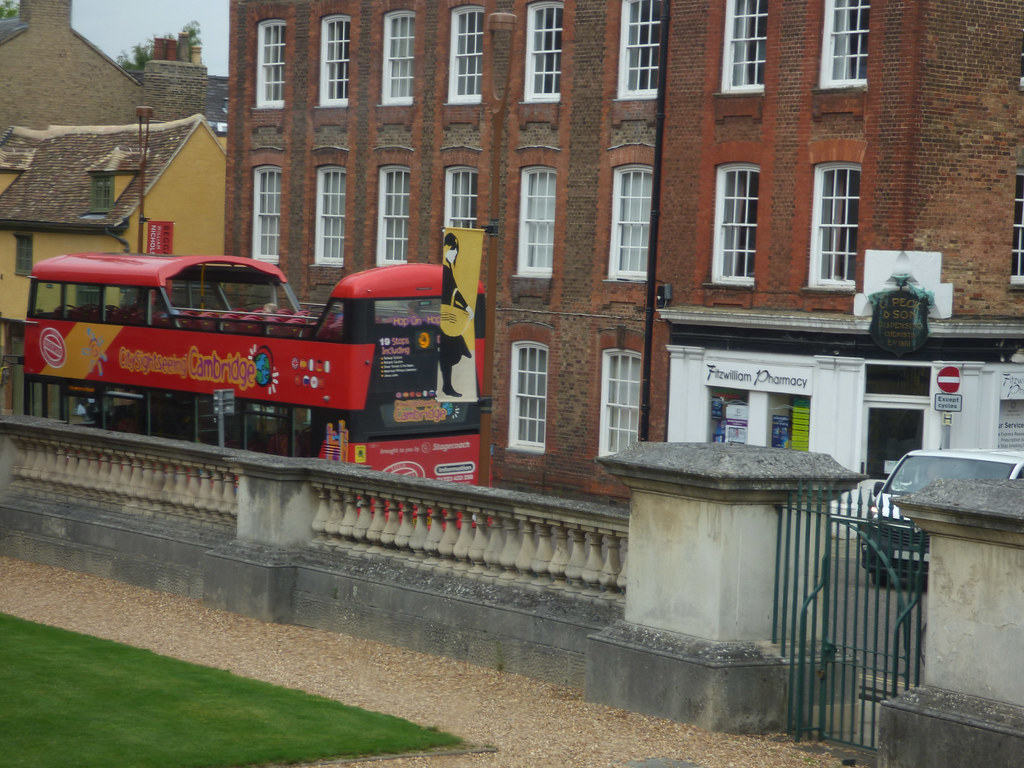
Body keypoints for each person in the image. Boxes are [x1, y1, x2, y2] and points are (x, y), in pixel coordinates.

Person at [439, 232, 473, 398]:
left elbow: (455, 290)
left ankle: (463, 349)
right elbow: (454, 291)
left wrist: (466, 307)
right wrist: (467, 307)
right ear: (446, 250)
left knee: (450, 345)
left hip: (447, 313)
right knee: (447, 350)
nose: (454, 254)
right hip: (444, 315)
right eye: (452, 250)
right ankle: (447, 386)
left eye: (455, 251)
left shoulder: (449, 267)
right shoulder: (445, 269)